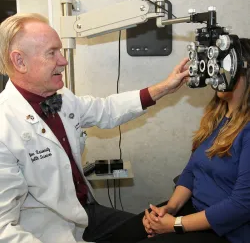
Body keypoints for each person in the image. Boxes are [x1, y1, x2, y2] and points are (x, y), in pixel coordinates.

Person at [0, 13, 189, 243]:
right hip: (46, 231)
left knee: (152, 232)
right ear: (20, 61)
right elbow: (4, 229)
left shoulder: (62, 98)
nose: (64, 61)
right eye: (52, 53)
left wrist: (164, 88)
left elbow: (106, 109)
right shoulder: (4, 125)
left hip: (85, 213)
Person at [101, 38, 250, 243]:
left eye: (224, 68)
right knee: (119, 237)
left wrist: (175, 225)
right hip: (195, 211)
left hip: (228, 231)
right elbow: (191, 171)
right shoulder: (216, 118)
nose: (217, 74)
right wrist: (169, 209)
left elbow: (241, 205)